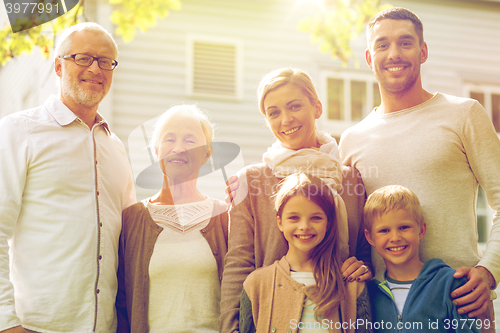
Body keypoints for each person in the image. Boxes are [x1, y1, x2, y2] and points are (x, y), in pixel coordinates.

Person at [339, 7, 500, 324]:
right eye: (383, 45)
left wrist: (489, 270)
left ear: (422, 51)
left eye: (405, 42)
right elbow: (343, 221)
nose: (394, 54)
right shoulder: (351, 139)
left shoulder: (464, 114)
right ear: (370, 58)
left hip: (460, 303)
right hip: (382, 313)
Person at [0, 23, 136, 333]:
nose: (95, 69)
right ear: (59, 66)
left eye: (105, 61)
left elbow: (129, 237)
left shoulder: (115, 147)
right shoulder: (19, 131)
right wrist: (5, 322)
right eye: (83, 58)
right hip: (35, 326)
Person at [220, 68, 372, 333]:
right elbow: (238, 265)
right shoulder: (250, 181)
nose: (286, 120)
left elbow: (365, 251)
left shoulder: (350, 180)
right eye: (274, 112)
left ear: (317, 107)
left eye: (295, 107)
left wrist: (362, 268)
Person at [115, 105, 229, 332]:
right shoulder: (131, 220)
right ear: (155, 150)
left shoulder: (225, 217)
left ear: (207, 153)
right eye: (169, 139)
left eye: (189, 140)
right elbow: (119, 303)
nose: (179, 148)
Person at [239, 173, 371, 333]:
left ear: (328, 223)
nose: (304, 226)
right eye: (294, 218)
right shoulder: (256, 285)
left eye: (316, 218)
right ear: (280, 222)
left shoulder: (352, 286)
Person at [364, 185, 482, 333]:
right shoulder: (369, 293)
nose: (395, 238)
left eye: (404, 227)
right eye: (384, 230)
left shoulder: (451, 284)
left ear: (421, 230)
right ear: (370, 237)